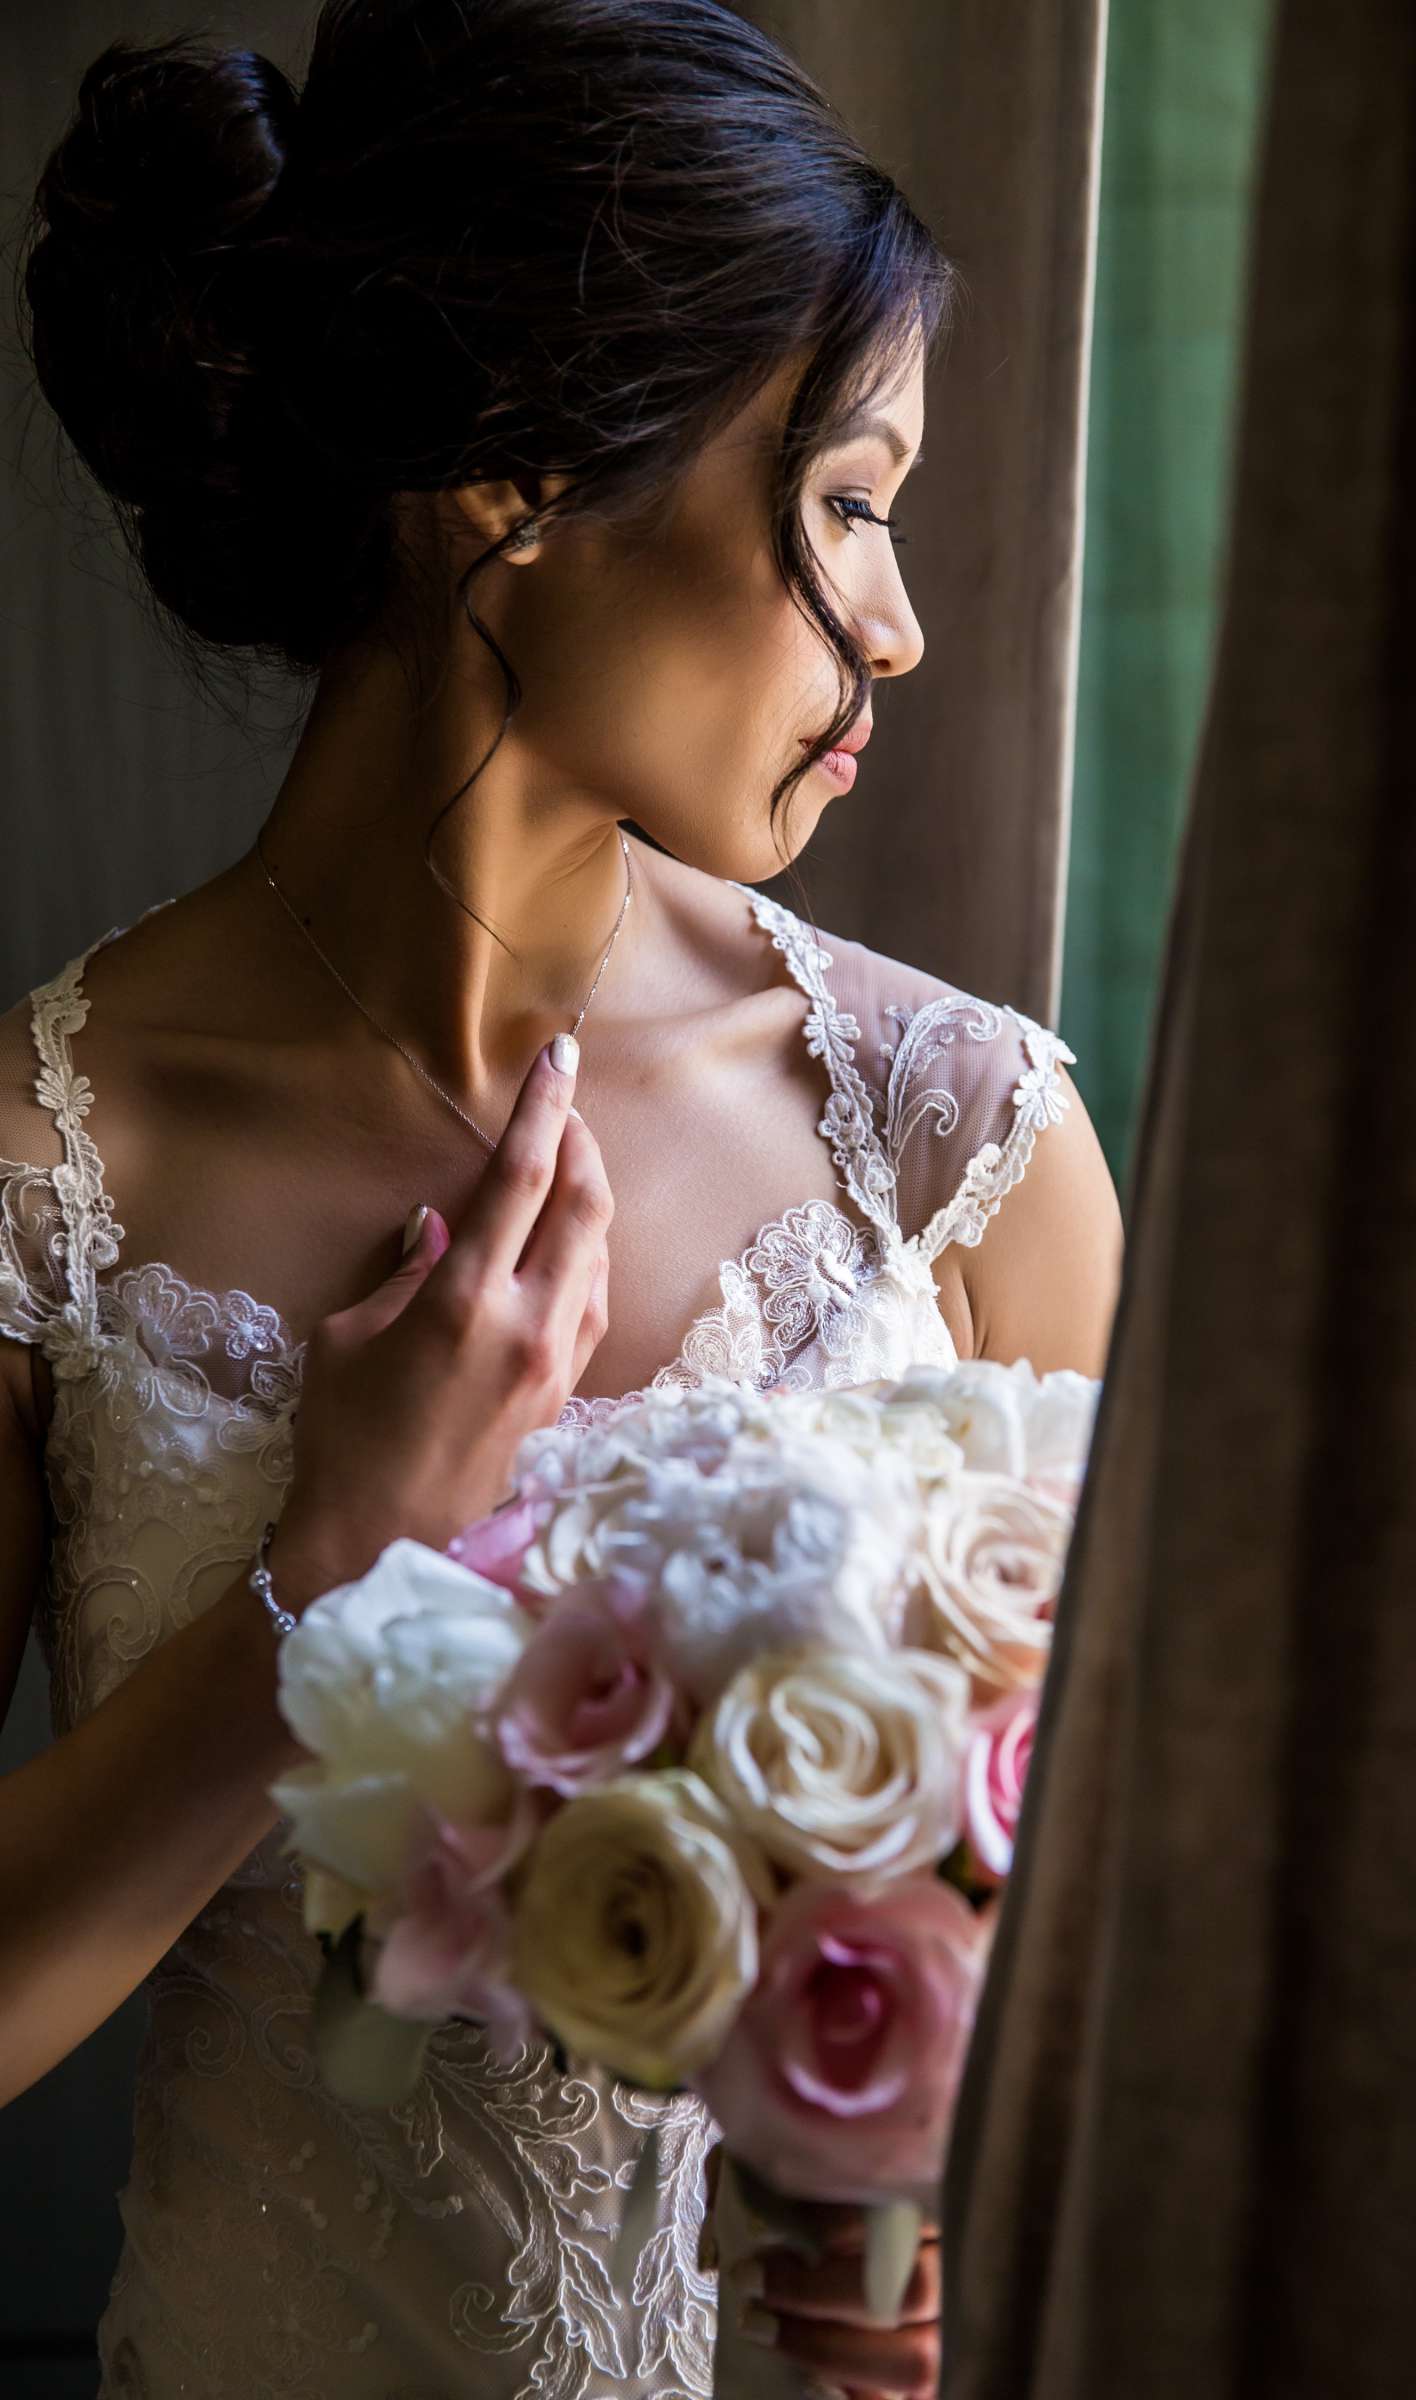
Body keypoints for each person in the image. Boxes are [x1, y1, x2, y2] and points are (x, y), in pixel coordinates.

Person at [0, 4, 1124, 2395]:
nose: (899, 617)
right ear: (509, 472)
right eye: (842, 498)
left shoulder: (957, 1133)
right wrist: (323, 1568)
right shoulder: (45, 1171)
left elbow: (1191, 1921)